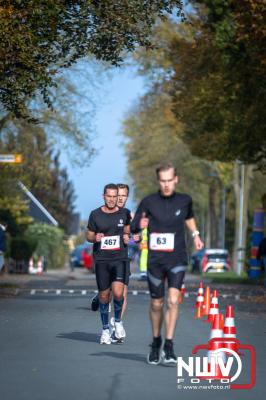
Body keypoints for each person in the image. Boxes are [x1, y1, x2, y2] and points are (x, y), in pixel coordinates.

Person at [131, 162, 204, 365]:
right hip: (155, 260)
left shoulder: (184, 200)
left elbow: (189, 218)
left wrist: (196, 235)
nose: (166, 185)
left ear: (176, 179)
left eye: (169, 180)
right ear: (158, 181)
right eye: (162, 181)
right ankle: (156, 341)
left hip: (177, 258)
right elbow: (135, 224)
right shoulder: (148, 202)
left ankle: (169, 344)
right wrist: (139, 224)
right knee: (157, 303)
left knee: (173, 300)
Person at [87, 184, 131, 344]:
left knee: (119, 293)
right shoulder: (95, 214)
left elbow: (129, 232)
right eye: (109, 196)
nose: (112, 199)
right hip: (102, 260)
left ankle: (118, 322)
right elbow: (89, 235)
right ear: (104, 196)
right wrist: (94, 238)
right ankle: (105, 329)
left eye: (115, 196)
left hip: (119, 259)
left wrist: (129, 238)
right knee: (104, 295)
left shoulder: (124, 213)